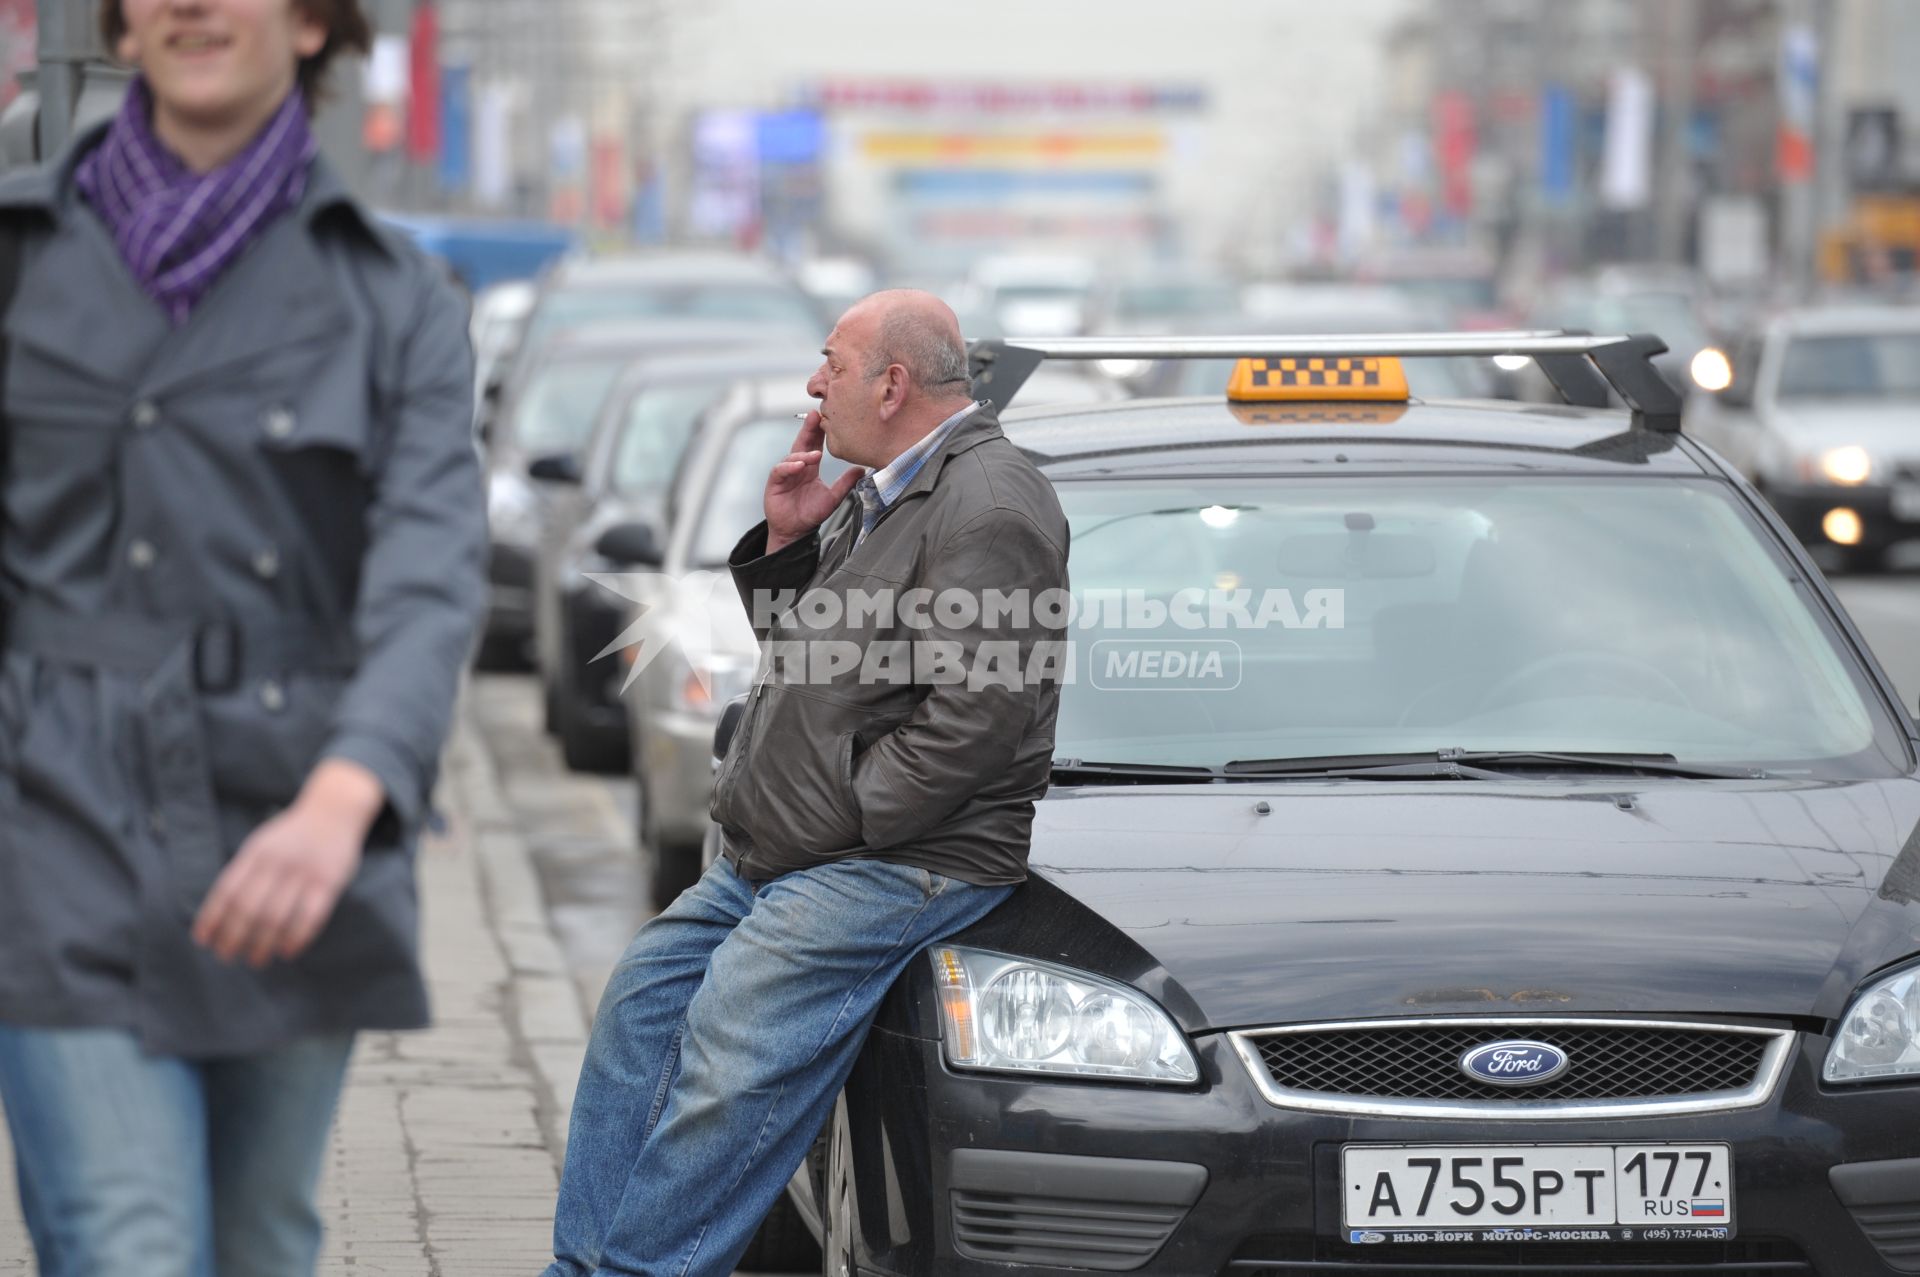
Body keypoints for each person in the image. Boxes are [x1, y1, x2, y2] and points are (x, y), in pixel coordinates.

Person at [0, 1, 487, 1273]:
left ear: (317, 22)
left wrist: (343, 799)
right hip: (49, 821)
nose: (192, 4)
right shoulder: (19, 255)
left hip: (287, 834)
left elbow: (430, 574)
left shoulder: (399, 303)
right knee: (130, 1241)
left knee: (258, 1240)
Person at [543, 290, 1070, 1277]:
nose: (813, 385)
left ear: (892, 382)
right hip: (788, 849)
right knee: (641, 1009)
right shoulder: (885, 488)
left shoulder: (990, 504)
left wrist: (851, 812)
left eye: (830, 362)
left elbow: (977, 722)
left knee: (734, 1035)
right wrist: (788, 546)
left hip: (901, 858)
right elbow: (824, 670)